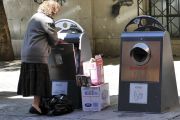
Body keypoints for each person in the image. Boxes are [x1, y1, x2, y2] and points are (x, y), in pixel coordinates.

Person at [17, 1, 61, 115]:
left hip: (27, 52)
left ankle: (41, 104)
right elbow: (54, 40)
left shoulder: (35, 16)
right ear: (53, 10)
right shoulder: (47, 20)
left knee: (36, 78)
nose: (55, 14)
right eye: (56, 12)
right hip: (38, 53)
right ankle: (35, 105)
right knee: (40, 79)